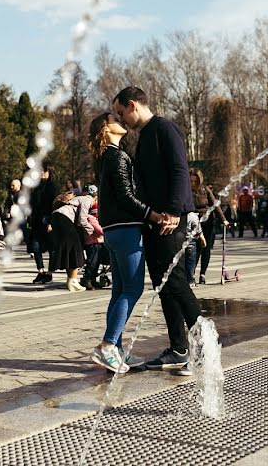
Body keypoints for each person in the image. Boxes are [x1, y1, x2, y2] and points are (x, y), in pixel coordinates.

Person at [113, 87, 199, 374]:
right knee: (164, 286)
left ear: (133, 105)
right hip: (156, 221)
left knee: (175, 283)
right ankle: (178, 349)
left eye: (121, 112)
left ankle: (207, 346)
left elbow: (179, 170)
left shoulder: (164, 129)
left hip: (170, 220)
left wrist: (175, 210)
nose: (121, 119)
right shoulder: (145, 135)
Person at [87, 112, 161, 373]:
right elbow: (127, 197)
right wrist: (152, 214)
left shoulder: (105, 158)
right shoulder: (117, 156)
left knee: (119, 291)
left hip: (112, 231)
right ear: (106, 130)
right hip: (127, 230)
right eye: (114, 119)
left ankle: (115, 351)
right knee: (133, 290)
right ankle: (107, 346)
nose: (121, 121)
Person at [50, 190, 93, 292]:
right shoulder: (87, 200)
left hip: (56, 217)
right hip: (64, 218)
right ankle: (73, 281)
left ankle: (70, 280)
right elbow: (82, 220)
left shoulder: (75, 200)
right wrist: (91, 230)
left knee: (68, 250)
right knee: (75, 249)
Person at [190, 169, 227, 285]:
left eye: (195, 181)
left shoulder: (205, 189)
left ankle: (202, 274)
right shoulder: (185, 190)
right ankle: (191, 274)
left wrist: (224, 220)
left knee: (206, 248)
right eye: (190, 180)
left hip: (208, 223)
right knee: (194, 249)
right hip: (194, 222)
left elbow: (215, 205)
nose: (192, 183)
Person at [30, 164, 58, 283]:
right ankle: (41, 271)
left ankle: (50, 273)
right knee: (35, 246)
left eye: (44, 171)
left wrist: (51, 221)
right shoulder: (36, 186)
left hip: (48, 221)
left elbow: (54, 205)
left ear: (49, 172)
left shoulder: (53, 187)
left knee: (52, 248)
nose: (41, 173)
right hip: (36, 221)